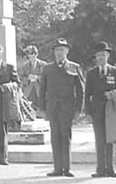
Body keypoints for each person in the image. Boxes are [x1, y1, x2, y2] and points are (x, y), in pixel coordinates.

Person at [39, 38, 84, 177]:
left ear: (67, 51)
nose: (59, 52)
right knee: (55, 137)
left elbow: (81, 90)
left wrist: (78, 110)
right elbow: (42, 90)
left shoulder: (74, 67)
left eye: (62, 50)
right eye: (57, 50)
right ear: (54, 52)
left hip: (67, 108)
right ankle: (57, 168)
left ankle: (67, 168)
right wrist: (42, 109)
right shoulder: (47, 68)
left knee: (66, 137)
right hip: (52, 108)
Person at [85, 41, 116, 178]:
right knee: (99, 139)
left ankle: (110, 169)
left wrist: (113, 94)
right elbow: (87, 94)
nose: (101, 57)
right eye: (98, 55)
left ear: (107, 56)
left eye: (103, 55)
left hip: (111, 110)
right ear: (95, 56)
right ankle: (100, 169)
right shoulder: (91, 73)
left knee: (110, 138)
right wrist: (87, 112)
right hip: (97, 110)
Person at [19, 45, 46, 110]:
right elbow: (21, 78)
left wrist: (37, 77)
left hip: (40, 89)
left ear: (37, 54)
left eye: (34, 53)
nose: (33, 55)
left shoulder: (43, 65)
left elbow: (47, 78)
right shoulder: (25, 66)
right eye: (31, 54)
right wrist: (28, 78)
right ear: (28, 55)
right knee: (28, 107)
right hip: (28, 90)